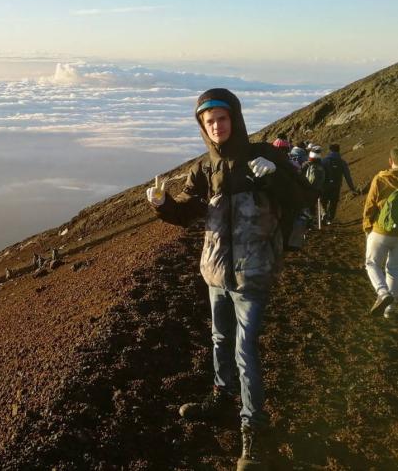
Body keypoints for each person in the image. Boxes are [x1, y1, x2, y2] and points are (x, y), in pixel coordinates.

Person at [147, 88, 309, 469]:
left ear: (234, 119)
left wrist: (274, 181)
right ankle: (222, 398)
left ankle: (253, 429)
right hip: (217, 273)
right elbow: (187, 214)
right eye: (209, 121)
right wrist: (162, 204)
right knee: (220, 338)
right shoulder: (204, 169)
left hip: (253, 274)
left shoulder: (263, 157)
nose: (217, 126)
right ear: (202, 127)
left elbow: (301, 196)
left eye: (222, 118)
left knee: (244, 348)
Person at [363, 147, 398, 318]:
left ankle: (383, 293)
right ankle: (390, 309)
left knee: (372, 263)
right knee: (394, 268)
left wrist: (367, 227)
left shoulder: (381, 178)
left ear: (391, 161)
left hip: (380, 230)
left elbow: (370, 205)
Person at [321, 143, 358, 224]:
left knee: (323, 201)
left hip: (325, 185)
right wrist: (352, 188)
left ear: (330, 150)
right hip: (336, 186)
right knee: (333, 202)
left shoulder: (324, 161)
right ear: (338, 150)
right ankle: (330, 219)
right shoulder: (342, 162)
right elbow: (347, 176)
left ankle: (324, 213)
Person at [302, 146, 326, 224]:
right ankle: (323, 213)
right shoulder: (321, 164)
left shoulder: (307, 163)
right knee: (318, 201)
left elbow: (301, 173)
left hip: (309, 187)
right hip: (319, 187)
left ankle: (311, 218)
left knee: (309, 204)